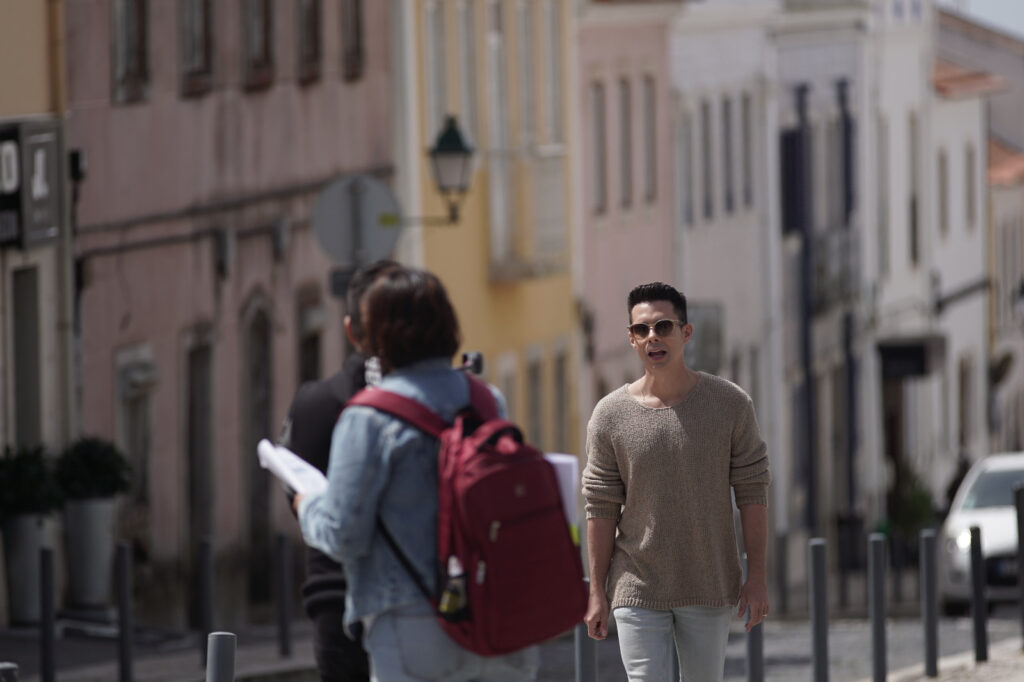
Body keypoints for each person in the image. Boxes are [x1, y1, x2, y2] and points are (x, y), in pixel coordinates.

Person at [294, 266, 538, 682]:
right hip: (498, 616)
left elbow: (343, 534)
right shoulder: (486, 400)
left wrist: (308, 504)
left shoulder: (368, 417)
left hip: (412, 621)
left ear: (374, 336)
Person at [582, 281, 772, 682]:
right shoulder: (609, 415)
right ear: (631, 340)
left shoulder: (730, 404)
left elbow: (752, 491)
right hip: (636, 583)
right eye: (641, 330)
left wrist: (756, 578)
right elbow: (600, 506)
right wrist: (597, 591)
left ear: (686, 333)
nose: (653, 337)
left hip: (709, 581)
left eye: (663, 326)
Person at [279, 259, 398, 682]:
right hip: (420, 599)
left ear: (350, 329)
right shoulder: (450, 401)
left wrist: (307, 503)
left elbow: (296, 497)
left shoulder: (314, 402)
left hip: (337, 600)